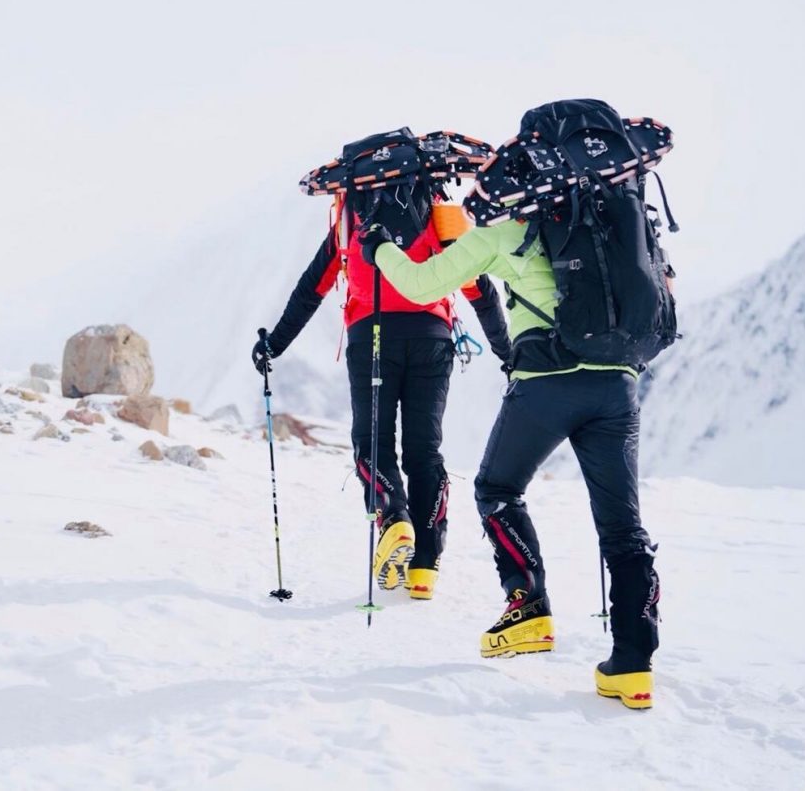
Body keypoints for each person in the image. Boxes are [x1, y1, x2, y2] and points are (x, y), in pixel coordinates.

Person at [358, 102, 665, 710]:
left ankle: (528, 607)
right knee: (624, 529)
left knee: (498, 487)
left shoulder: (503, 235)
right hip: (618, 383)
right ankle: (633, 666)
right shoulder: (621, 224)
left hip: (546, 384)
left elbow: (420, 286)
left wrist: (380, 250)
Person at [252, 130, 511, 601]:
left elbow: (312, 288)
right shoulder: (440, 210)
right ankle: (424, 569)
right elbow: (478, 289)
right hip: (432, 337)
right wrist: (507, 353)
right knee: (424, 450)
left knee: (371, 441)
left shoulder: (351, 217)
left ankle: (395, 520)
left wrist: (275, 345)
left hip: (370, 336)